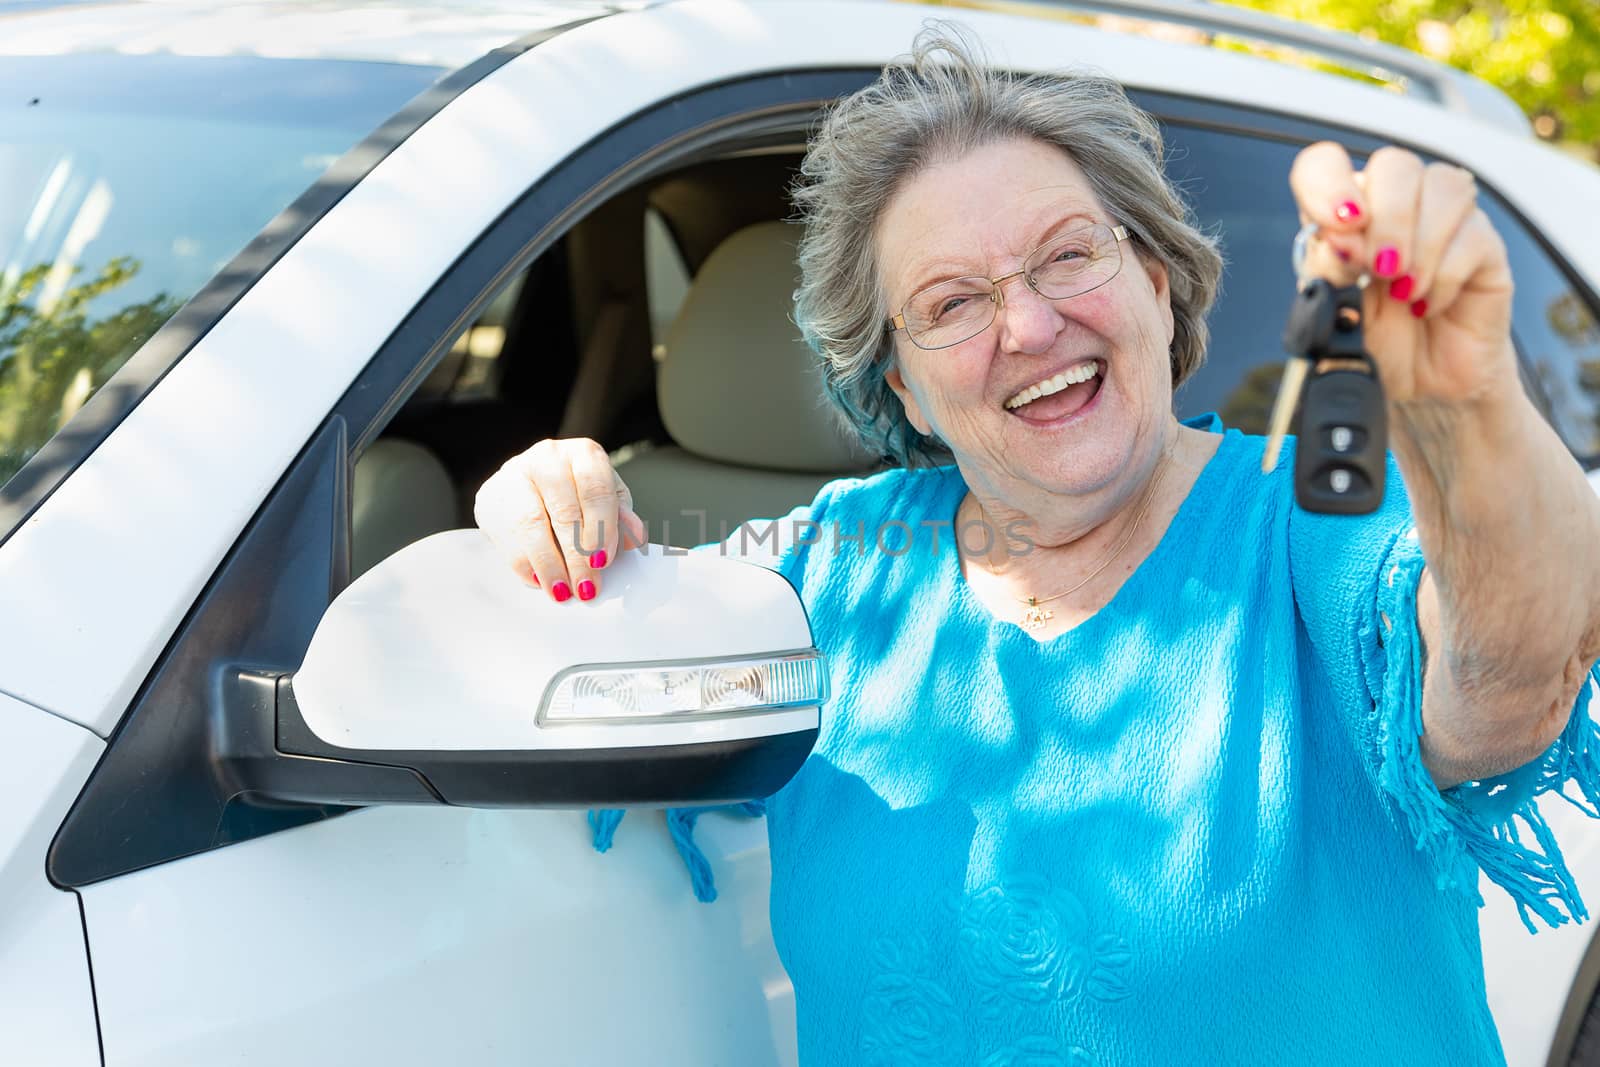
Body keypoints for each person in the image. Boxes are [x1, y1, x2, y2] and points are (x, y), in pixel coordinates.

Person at [473, 26, 1600, 1065]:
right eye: (952, 302)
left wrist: (1469, 408)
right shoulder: (829, 575)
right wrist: (535, 517)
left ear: (1156, 284)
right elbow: (578, 644)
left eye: (1069, 255)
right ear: (903, 385)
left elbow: (1502, 684)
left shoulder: (1309, 513)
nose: (1027, 325)